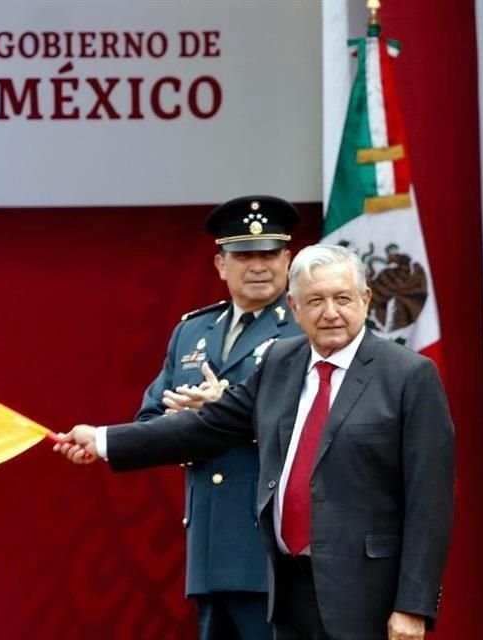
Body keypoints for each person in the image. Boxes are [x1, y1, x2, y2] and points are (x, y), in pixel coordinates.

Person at [57, 244, 455, 640]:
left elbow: (429, 503)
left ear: (366, 300)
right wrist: (105, 440)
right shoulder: (282, 361)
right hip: (288, 589)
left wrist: (412, 606)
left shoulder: (409, 376)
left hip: (368, 596)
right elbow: (206, 426)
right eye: (315, 300)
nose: (330, 312)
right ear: (294, 307)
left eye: (342, 298)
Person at [135, 195, 303, 640]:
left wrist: (224, 409)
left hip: (273, 550)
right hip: (209, 547)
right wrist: (181, 420)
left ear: (288, 260)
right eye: (244, 256)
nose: (259, 266)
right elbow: (150, 419)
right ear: (220, 265)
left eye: (269, 254)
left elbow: (317, 425)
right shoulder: (192, 330)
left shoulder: (306, 330)